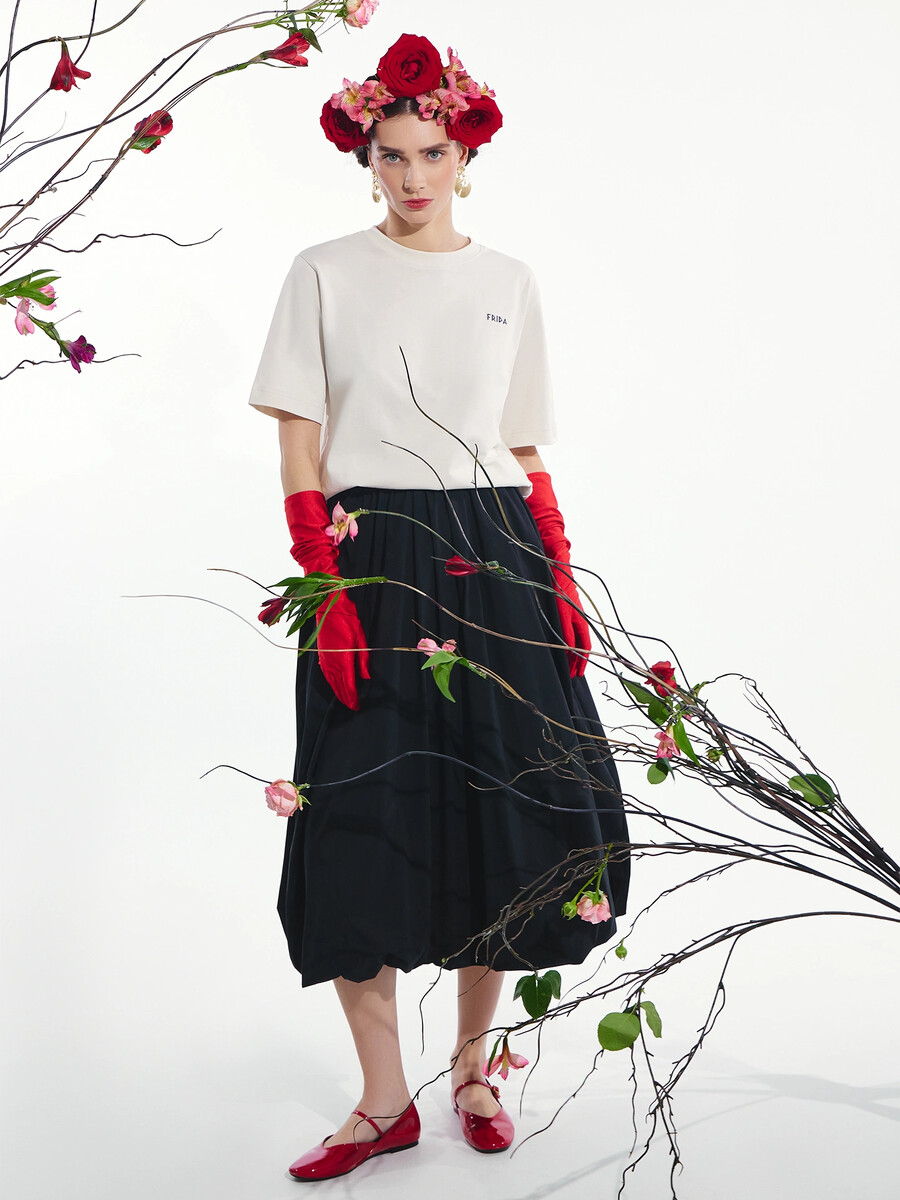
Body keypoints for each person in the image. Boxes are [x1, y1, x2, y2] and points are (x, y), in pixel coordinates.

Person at [247, 32, 630, 1182]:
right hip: (368, 552)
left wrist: (558, 571)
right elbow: (300, 441)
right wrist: (323, 582)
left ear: (467, 156)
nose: (413, 175)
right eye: (393, 155)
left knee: (497, 808)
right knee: (356, 812)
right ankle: (382, 1103)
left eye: (434, 153)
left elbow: (521, 445)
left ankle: (472, 1070)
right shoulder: (322, 270)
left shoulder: (508, 281)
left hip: (494, 549)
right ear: (364, 158)